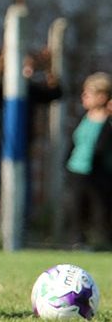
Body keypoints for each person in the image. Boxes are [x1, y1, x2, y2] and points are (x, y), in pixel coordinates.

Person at [0, 48, 62, 247]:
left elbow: (56, 92)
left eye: (30, 67)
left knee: (23, 199)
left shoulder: (31, 91)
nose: (28, 71)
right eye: (24, 66)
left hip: (22, 151)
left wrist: (48, 66)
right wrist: (3, 58)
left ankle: (18, 238)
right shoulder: (3, 88)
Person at [65, 71, 112, 249]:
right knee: (76, 209)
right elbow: (74, 142)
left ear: (102, 96)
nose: (84, 96)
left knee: (100, 211)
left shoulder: (108, 121)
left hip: (98, 175)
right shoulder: (84, 118)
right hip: (77, 171)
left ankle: (102, 244)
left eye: (89, 93)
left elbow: (101, 148)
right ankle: (77, 243)